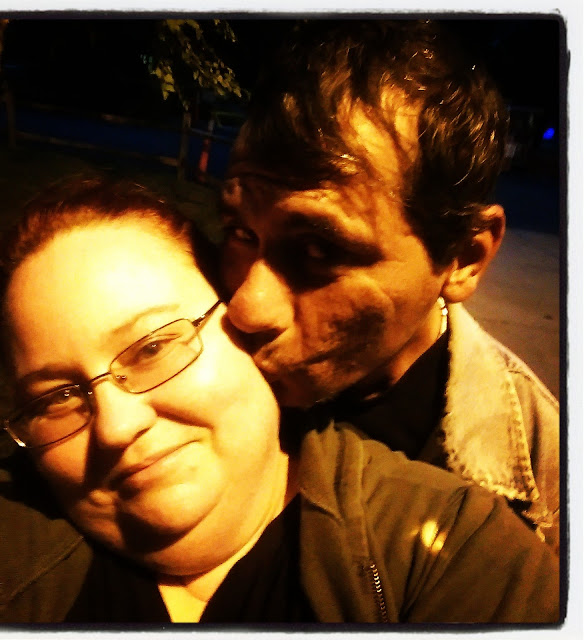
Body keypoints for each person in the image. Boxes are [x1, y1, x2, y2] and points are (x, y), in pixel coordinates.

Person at [0, 177, 559, 624]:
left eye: (154, 348)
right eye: (58, 397)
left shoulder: (454, 553)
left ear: (242, 329)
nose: (116, 426)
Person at [219, 20, 560, 553]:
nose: (244, 308)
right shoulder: (187, 357)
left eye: (319, 250)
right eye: (242, 233)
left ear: (464, 258)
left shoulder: (545, 471)